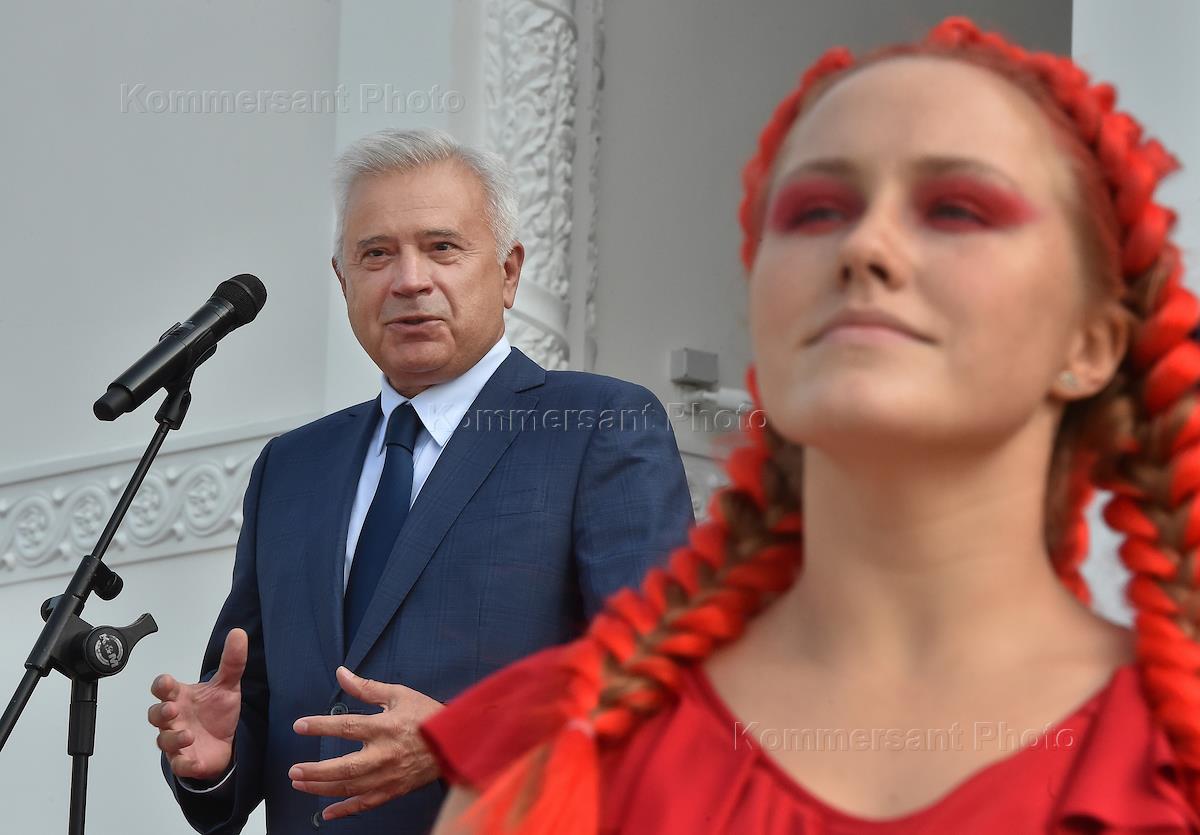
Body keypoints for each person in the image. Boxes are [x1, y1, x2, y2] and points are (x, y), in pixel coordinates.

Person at [421, 17, 1200, 833]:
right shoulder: (553, 754)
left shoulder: (1168, 765)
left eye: (958, 208)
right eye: (817, 211)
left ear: (1091, 342)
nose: (865, 246)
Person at [145, 128, 695, 834]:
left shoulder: (596, 425)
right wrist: (214, 757)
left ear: (508, 272)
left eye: (442, 247)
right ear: (344, 282)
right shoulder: (292, 467)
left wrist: (460, 739)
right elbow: (246, 699)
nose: (409, 280)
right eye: (376, 254)